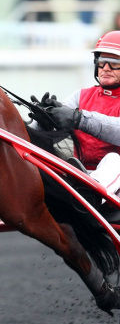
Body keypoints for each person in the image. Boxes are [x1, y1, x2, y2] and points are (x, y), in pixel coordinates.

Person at [30, 30, 120, 205]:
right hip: (80, 174)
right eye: (102, 62)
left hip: (115, 182)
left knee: (115, 160)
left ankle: (90, 195)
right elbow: (47, 128)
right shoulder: (80, 96)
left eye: (114, 63)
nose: (106, 68)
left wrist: (78, 119)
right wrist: (42, 123)